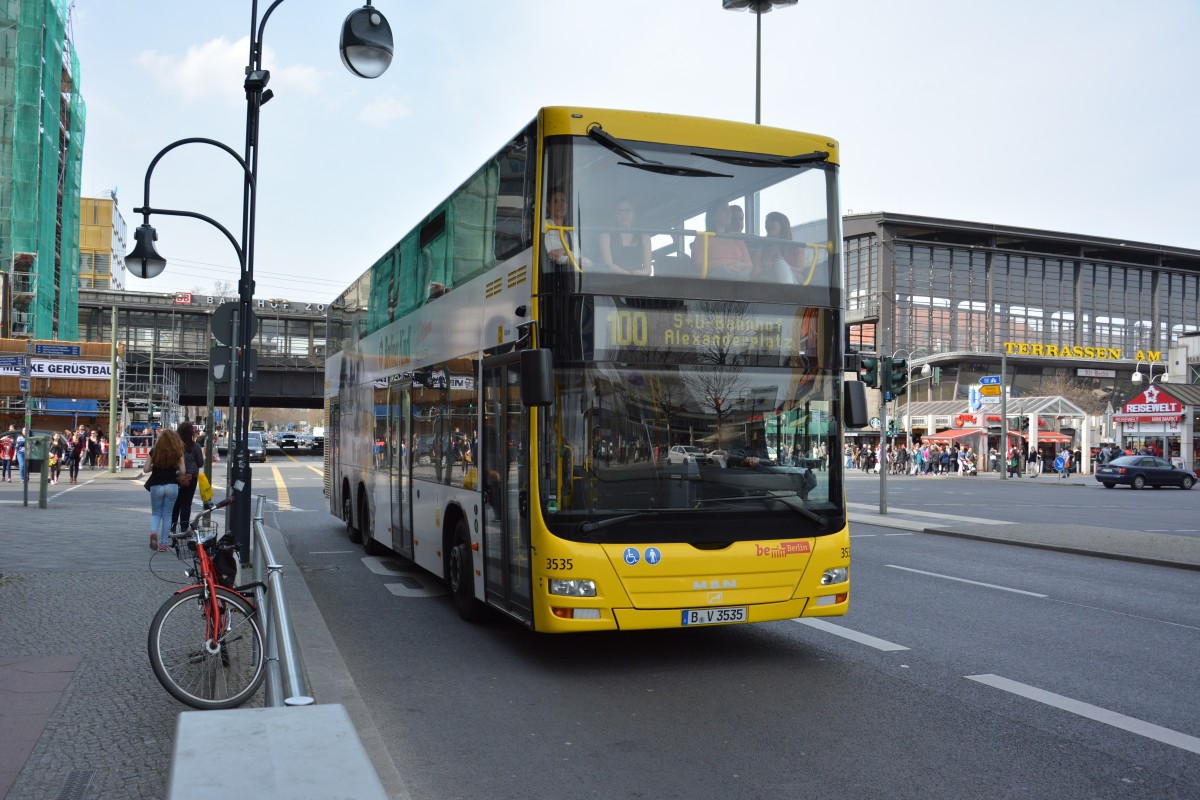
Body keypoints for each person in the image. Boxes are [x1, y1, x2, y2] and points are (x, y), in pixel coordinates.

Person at [143, 429, 185, 551]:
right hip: (172, 485)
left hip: (156, 485)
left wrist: (155, 467)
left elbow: (146, 469)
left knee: (156, 513)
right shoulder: (177, 452)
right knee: (167, 515)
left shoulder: (154, 451)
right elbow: (183, 471)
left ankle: (153, 533)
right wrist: (175, 471)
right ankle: (163, 544)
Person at [690, 202, 753, 279]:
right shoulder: (703, 237)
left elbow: (749, 264)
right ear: (713, 215)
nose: (728, 213)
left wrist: (739, 265)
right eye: (724, 210)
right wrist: (722, 265)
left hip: (739, 274)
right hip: (716, 276)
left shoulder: (737, 238)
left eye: (729, 211)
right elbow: (698, 264)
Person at [595, 197, 651, 275]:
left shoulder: (645, 237)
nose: (623, 215)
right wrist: (626, 274)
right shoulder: (605, 236)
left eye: (627, 211)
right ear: (614, 214)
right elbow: (608, 264)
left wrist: (639, 274)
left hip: (637, 281)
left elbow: (648, 269)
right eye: (619, 211)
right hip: (612, 280)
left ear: (634, 214)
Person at [543, 188, 591, 269]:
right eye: (556, 201)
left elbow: (578, 257)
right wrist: (569, 256)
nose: (561, 204)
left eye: (563, 201)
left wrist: (564, 251)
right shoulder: (543, 227)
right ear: (549, 207)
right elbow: (552, 256)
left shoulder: (571, 232)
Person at [171, 421, 204, 536]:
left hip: (176, 476)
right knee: (186, 503)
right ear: (191, 432)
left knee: (176, 502)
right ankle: (184, 528)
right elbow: (200, 462)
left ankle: (172, 526)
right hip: (191, 478)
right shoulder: (195, 447)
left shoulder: (174, 446)